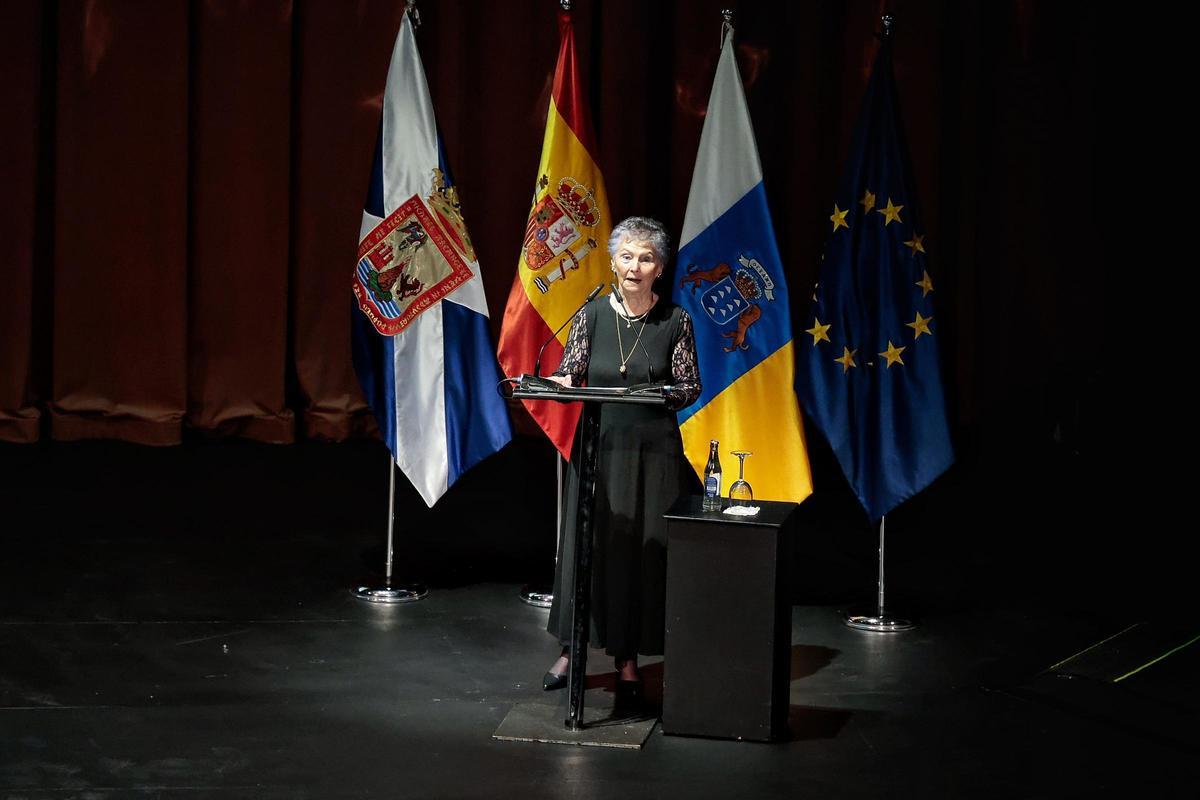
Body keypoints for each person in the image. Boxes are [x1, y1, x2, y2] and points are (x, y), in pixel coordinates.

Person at [543, 216, 701, 704]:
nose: (635, 266)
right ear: (613, 262)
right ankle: (573, 650)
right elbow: (570, 374)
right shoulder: (590, 313)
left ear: (659, 268)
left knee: (639, 552)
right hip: (600, 447)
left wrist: (661, 394)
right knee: (587, 545)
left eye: (646, 258)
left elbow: (688, 385)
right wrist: (548, 384)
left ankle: (628, 659)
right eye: (626, 256)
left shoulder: (674, 320)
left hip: (653, 454)